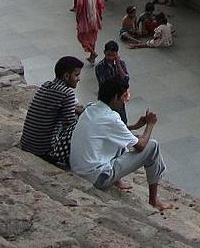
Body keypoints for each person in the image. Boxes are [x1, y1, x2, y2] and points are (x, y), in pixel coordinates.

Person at [69, 77, 168, 209]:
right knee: (153, 146)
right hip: (97, 177)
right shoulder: (111, 118)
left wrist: (134, 126)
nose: (124, 101)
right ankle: (154, 201)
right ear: (116, 97)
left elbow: (115, 132)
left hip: (79, 169)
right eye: (123, 96)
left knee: (124, 139)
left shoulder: (91, 108)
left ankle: (117, 181)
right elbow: (141, 146)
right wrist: (150, 125)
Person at [20, 56, 85, 168]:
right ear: (66, 76)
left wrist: (75, 109)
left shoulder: (46, 85)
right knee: (81, 124)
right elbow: (69, 126)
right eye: (76, 75)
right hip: (45, 151)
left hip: (27, 144)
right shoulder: (67, 93)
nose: (79, 78)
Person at [74, 0, 105, 64]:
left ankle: (93, 52)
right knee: (93, 36)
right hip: (95, 16)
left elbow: (79, 4)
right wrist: (100, 14)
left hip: (85, 17)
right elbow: (100, 2)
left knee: (81, 36)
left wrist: (77, 15)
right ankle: (92, 56)